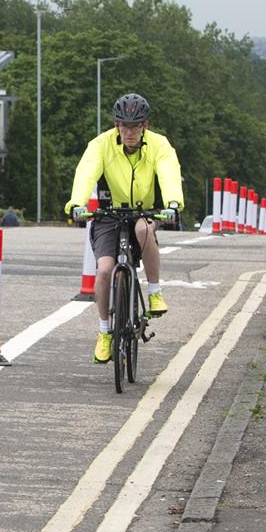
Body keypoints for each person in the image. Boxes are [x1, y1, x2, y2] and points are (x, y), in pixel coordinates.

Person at [64, 93, 184, 364]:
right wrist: (77, 203)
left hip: (145, 212)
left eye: (135, 126)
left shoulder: (159, 145)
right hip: (109, 214)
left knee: (143, 230)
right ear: (116, 125)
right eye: (124, 126)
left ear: (146, 126)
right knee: (105, 270)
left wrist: (174, 203)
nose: (129, 132)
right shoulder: (101, 145)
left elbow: (168, 173)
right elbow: (86, 172)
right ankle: (105, 331)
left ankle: (154, 293)